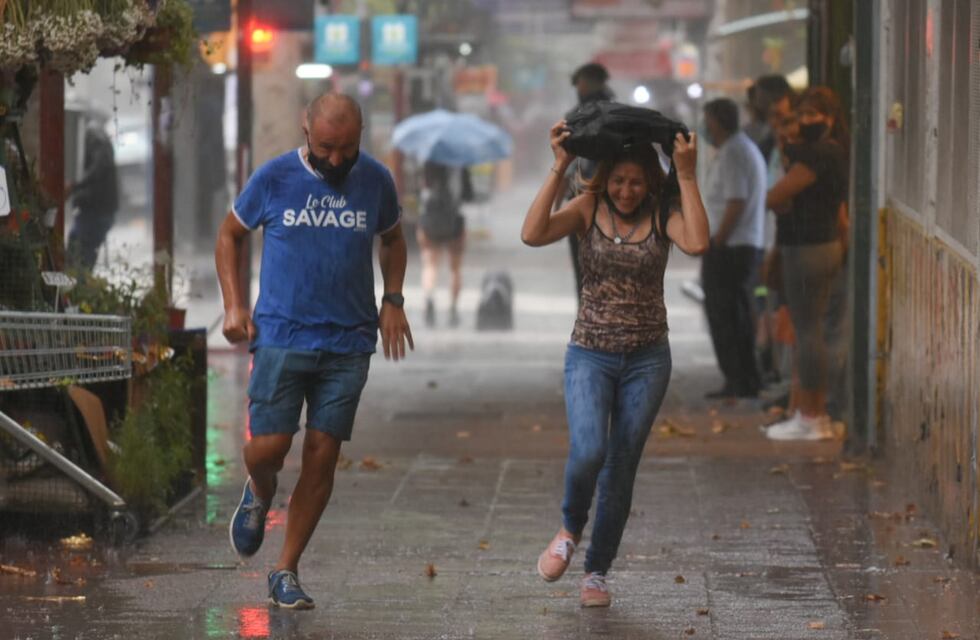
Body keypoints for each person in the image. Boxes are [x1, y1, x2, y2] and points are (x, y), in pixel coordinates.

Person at [215, 93, 413, 608]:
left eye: (347, 148)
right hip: (281, 334)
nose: (336, 160)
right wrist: (234, 305)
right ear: (306, 130)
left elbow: (393, 238)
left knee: (322, 456)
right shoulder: (275, 178)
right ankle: (259, 491)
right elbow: (230, 234)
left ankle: (286, 570)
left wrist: (393, 299)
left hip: (349, 341)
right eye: (326, 147)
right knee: (268, 449)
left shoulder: (375, 180)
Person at [522, 121, 708, 607]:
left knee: (622, 465)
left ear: (651, 182)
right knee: (588, 451)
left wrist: (685, 175)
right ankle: (568, 527)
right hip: (590, 353)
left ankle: (596, 572)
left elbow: (699, 242)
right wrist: (560, 166)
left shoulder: (663, 213)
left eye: (637, 181)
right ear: (605, 179)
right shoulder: (588, 207)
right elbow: (532, 232)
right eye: (619, 180)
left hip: (648, 359)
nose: (627, 190)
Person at [764, 86, 849, 440]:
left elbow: (775, 196)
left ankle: (812, 416)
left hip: (808, 249)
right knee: (812, 330)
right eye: (803, 114)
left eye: (815, 114)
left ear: (831, 118)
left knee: (808, 331)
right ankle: (812, 412)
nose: (807, 121)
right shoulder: (831, 152)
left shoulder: (817, 155)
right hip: (823, 246)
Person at [700, 98, 768, 399]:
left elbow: (735, 201)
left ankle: (740, 379)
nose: (704, 126)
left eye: (707, 120)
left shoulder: (734, 153)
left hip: (731, 246)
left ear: (717, 121)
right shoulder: (735, 149)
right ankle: (740, 379)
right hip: (736, 244)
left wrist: (718, 240)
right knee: (733, 313)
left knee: (727, 315)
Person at [558, 62, 615, 300]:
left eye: (579, 83)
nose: (577, 88)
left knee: (584, 270)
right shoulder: (618, 112)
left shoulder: (577, 117)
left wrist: (557, 202)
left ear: (590, 82)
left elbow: (568, 163)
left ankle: (588, 318)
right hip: (615, 203)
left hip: (583, 201)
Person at [417, 161, 472, 328]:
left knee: (430, 264)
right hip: (453, 221)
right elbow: (469, 195)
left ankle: (429, 299)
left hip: (430, 220)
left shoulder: (428, 161)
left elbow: (422, 190)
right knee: (455, 268)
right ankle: (453, 308)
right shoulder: (460, 164)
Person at [67, 115, 119, 271]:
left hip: (96, 211)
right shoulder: (98, 140)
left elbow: (99, 167)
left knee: (82, 254)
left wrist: (76, 187)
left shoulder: (95, 139)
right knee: (78, 249)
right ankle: (78, 290)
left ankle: (78, 291)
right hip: (95, 210)